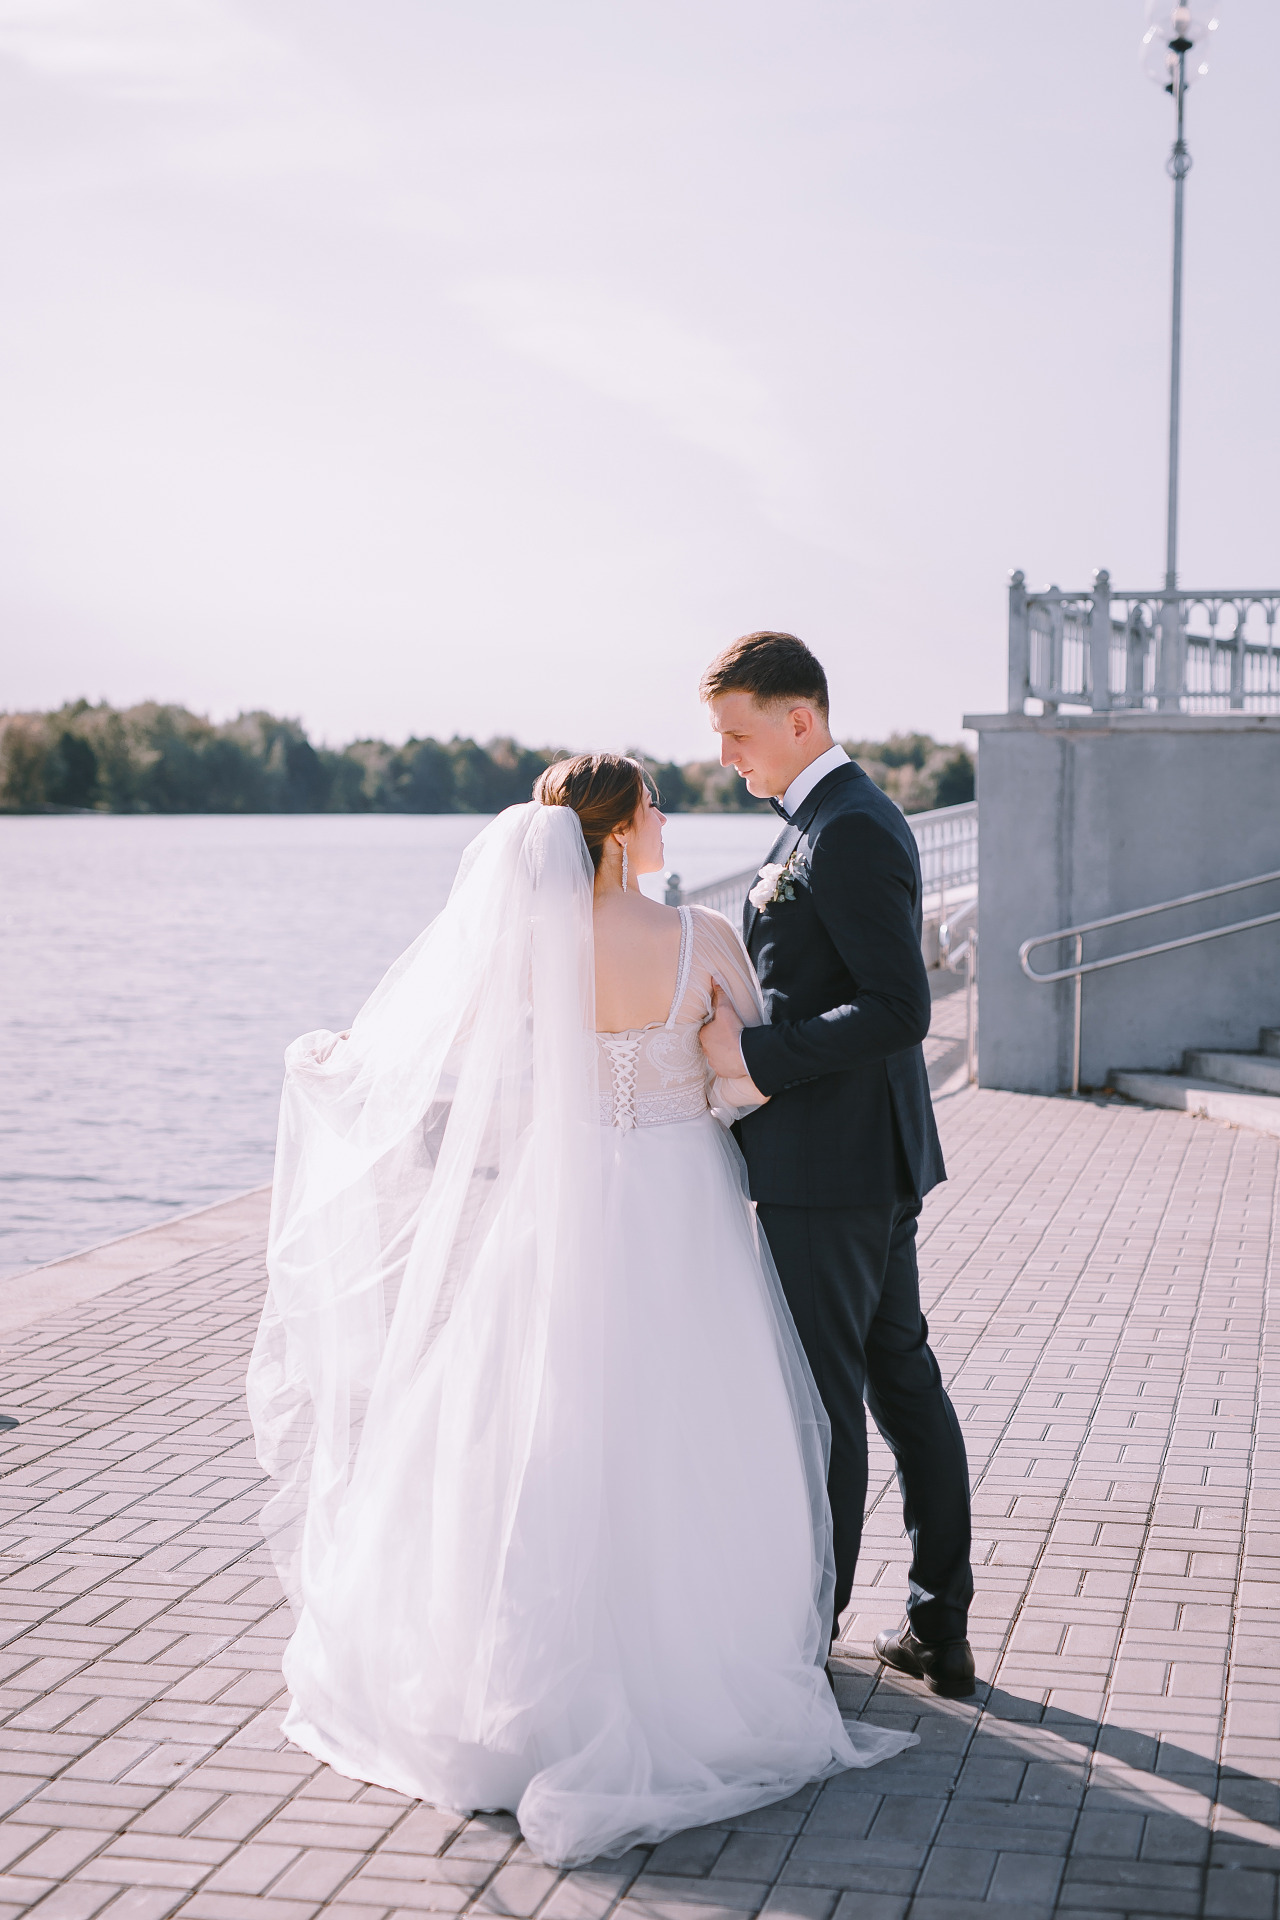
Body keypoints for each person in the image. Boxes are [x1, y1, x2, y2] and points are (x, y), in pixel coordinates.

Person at [247, 753, 914, 1871]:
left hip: (564, 1211)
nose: (664, 818)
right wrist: (708, 1076)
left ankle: (529, 1676)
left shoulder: (527, 952)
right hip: (676, 1200)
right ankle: (697, 1661)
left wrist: (338, 1067)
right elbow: (741, 1073)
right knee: (689, 1423)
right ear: (612, 835)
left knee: (542, 1420)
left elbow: (437, 1061)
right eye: (651, 805)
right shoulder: (701, 939)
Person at [697, 632, 976, 1699]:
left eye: (737, 732)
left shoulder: (849, 827)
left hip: (831, 1167)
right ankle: (932, 1628)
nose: (726, 754)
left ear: (798, 719)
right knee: (900, 1382)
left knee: (827, 1402)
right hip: (860, 1159)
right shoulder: (822, 818)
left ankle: (807, 1634)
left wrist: (752, 1057)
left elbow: (899, 1009)